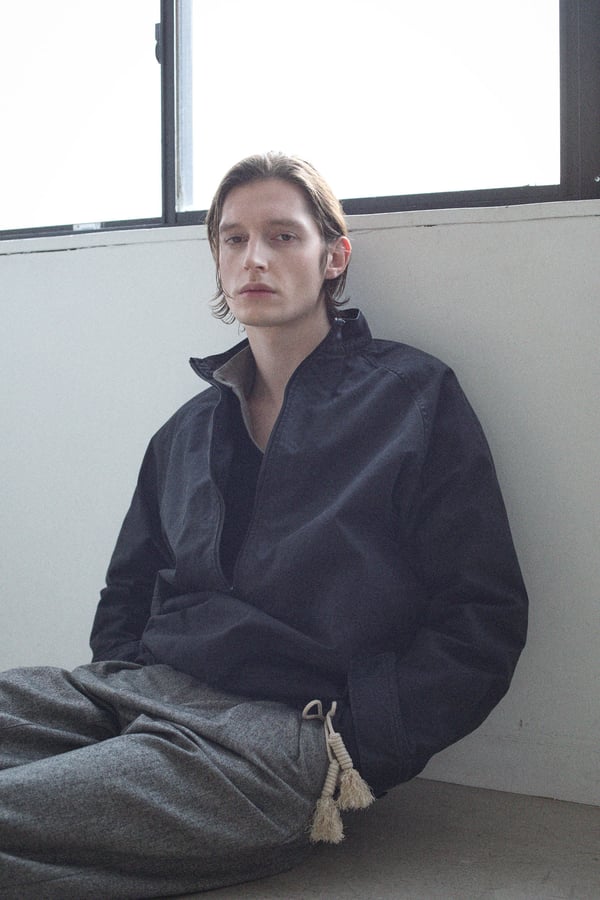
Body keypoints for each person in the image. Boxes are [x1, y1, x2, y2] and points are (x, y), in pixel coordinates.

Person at [0, 152, 528, 898]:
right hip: (140, 691)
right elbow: (128, 589)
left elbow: (482, 613)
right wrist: (122, 682)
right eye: (234, 238)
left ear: (334, 256)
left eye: (283, 236)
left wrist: (357, 748)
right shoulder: (185, 431)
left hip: (286, 730)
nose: (254, 258)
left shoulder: (412, 398)